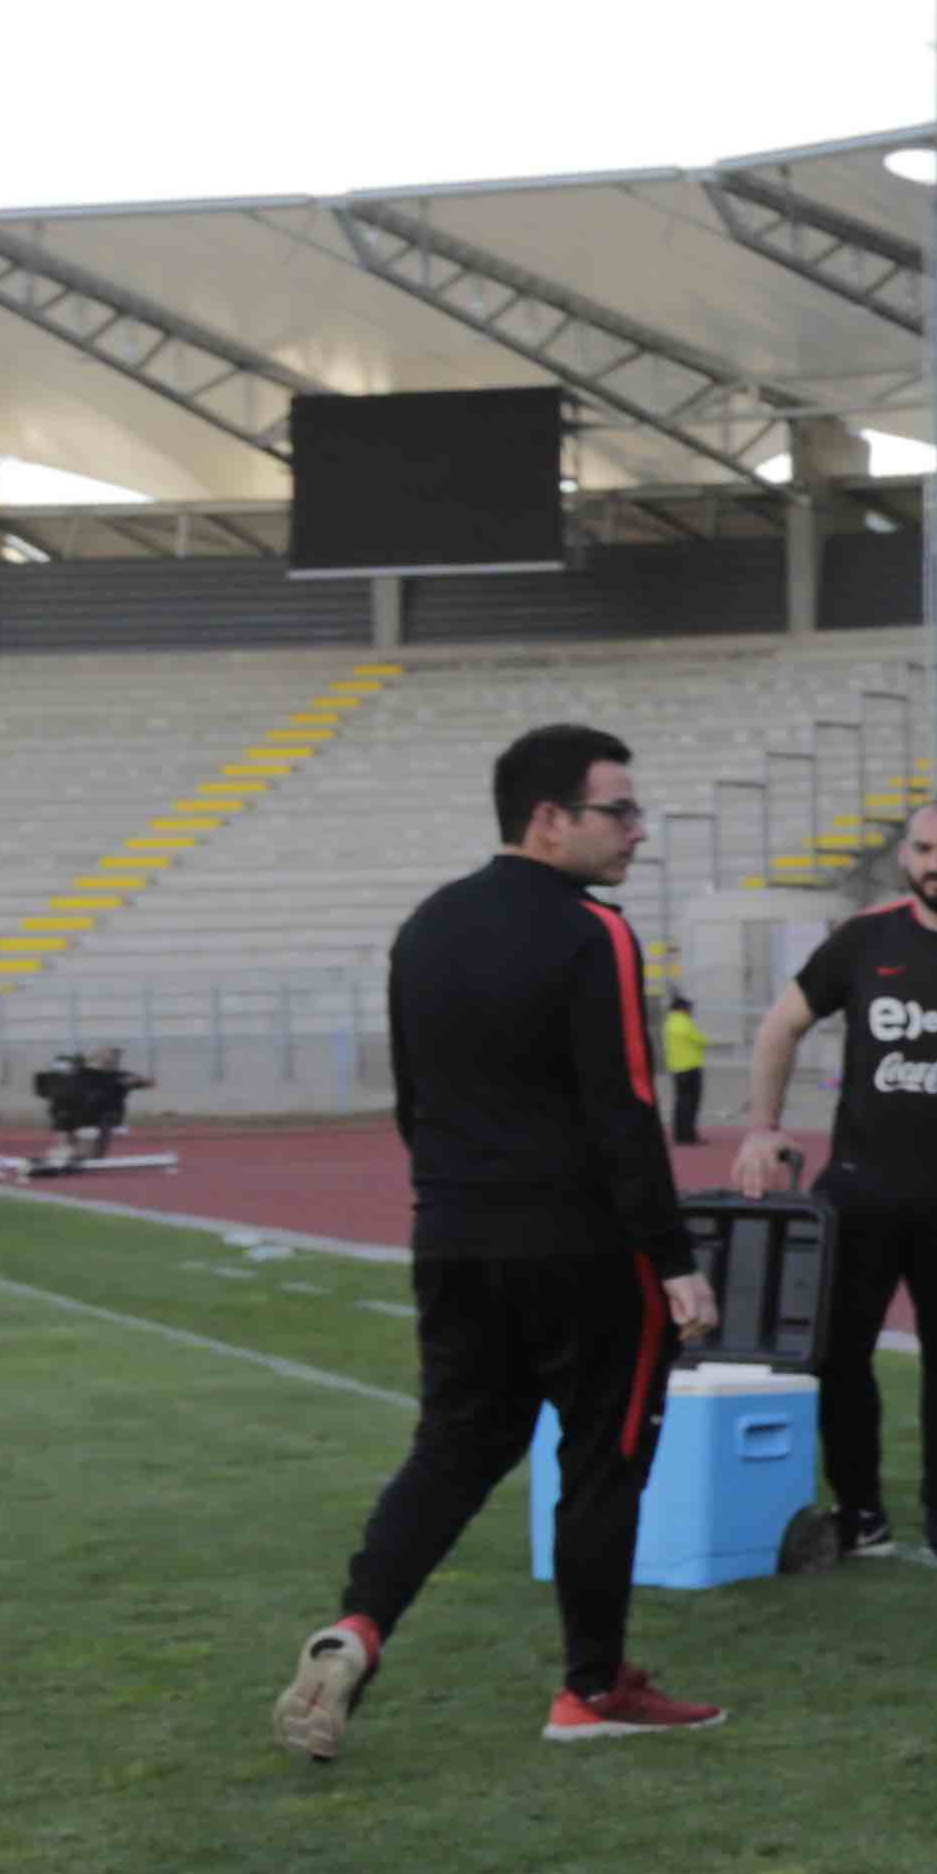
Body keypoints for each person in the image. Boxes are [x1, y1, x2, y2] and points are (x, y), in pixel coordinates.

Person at [269, 723, 725, 1761]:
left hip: (455, 1237)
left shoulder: (424, 926)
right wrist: (676, 1258)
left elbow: (413, 1101)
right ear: (550, 818)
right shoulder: (592, 932)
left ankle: (359, 1625)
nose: (637, 833)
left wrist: (455, 1202)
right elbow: (624, 1108)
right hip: (584, 1249)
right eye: (620, 812)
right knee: (603, 1463)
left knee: (455, 1448)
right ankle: (591, 1690)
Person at [727, 797, 937, 1564]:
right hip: (858, 1190)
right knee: (838, 1353)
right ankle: (861, 1512)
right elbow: (781, 1024)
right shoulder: (863, 939)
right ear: (905, 857)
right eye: (923, 849)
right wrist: (763, 1127)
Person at [658, 983, 709, 1141]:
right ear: (681, 1008)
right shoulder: (684, 1023)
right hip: (690, 1067)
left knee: (680, 1103)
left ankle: (679, 1134)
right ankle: (688, 1135)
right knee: (691, 1104)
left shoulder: (668, 1023)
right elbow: (699, 1039)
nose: (690, 1010)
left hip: (676, 1068)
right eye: (688, 1007)